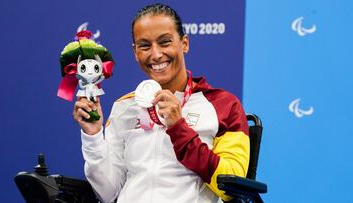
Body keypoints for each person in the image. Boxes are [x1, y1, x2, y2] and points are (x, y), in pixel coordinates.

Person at [73, 3, 249, 203]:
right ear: (135, 51)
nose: (155, 55)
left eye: (165, 42)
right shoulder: (124, 108)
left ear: (184, 43)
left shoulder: (224, 106)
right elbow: (107, 192)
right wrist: (93, 136)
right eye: (145, 45)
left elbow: (233, 187)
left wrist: (179, 129)